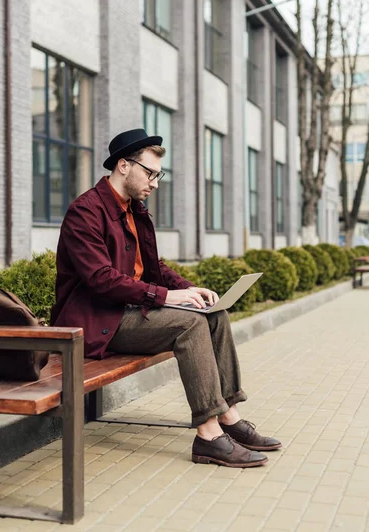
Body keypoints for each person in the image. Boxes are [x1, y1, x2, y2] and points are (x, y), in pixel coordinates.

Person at [51, 128, 281, 468]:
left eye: (159, 174)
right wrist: (166, 297)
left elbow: (152, 267)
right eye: (151, 173)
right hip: (97, 321)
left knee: (213, 314)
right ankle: (209, 436)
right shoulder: (85, 211)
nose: (155, 182)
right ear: (124, 166)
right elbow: (101, 280)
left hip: (127, 312)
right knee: (188, 324)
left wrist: (190, 289)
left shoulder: (134, 209)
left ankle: (229, 417)